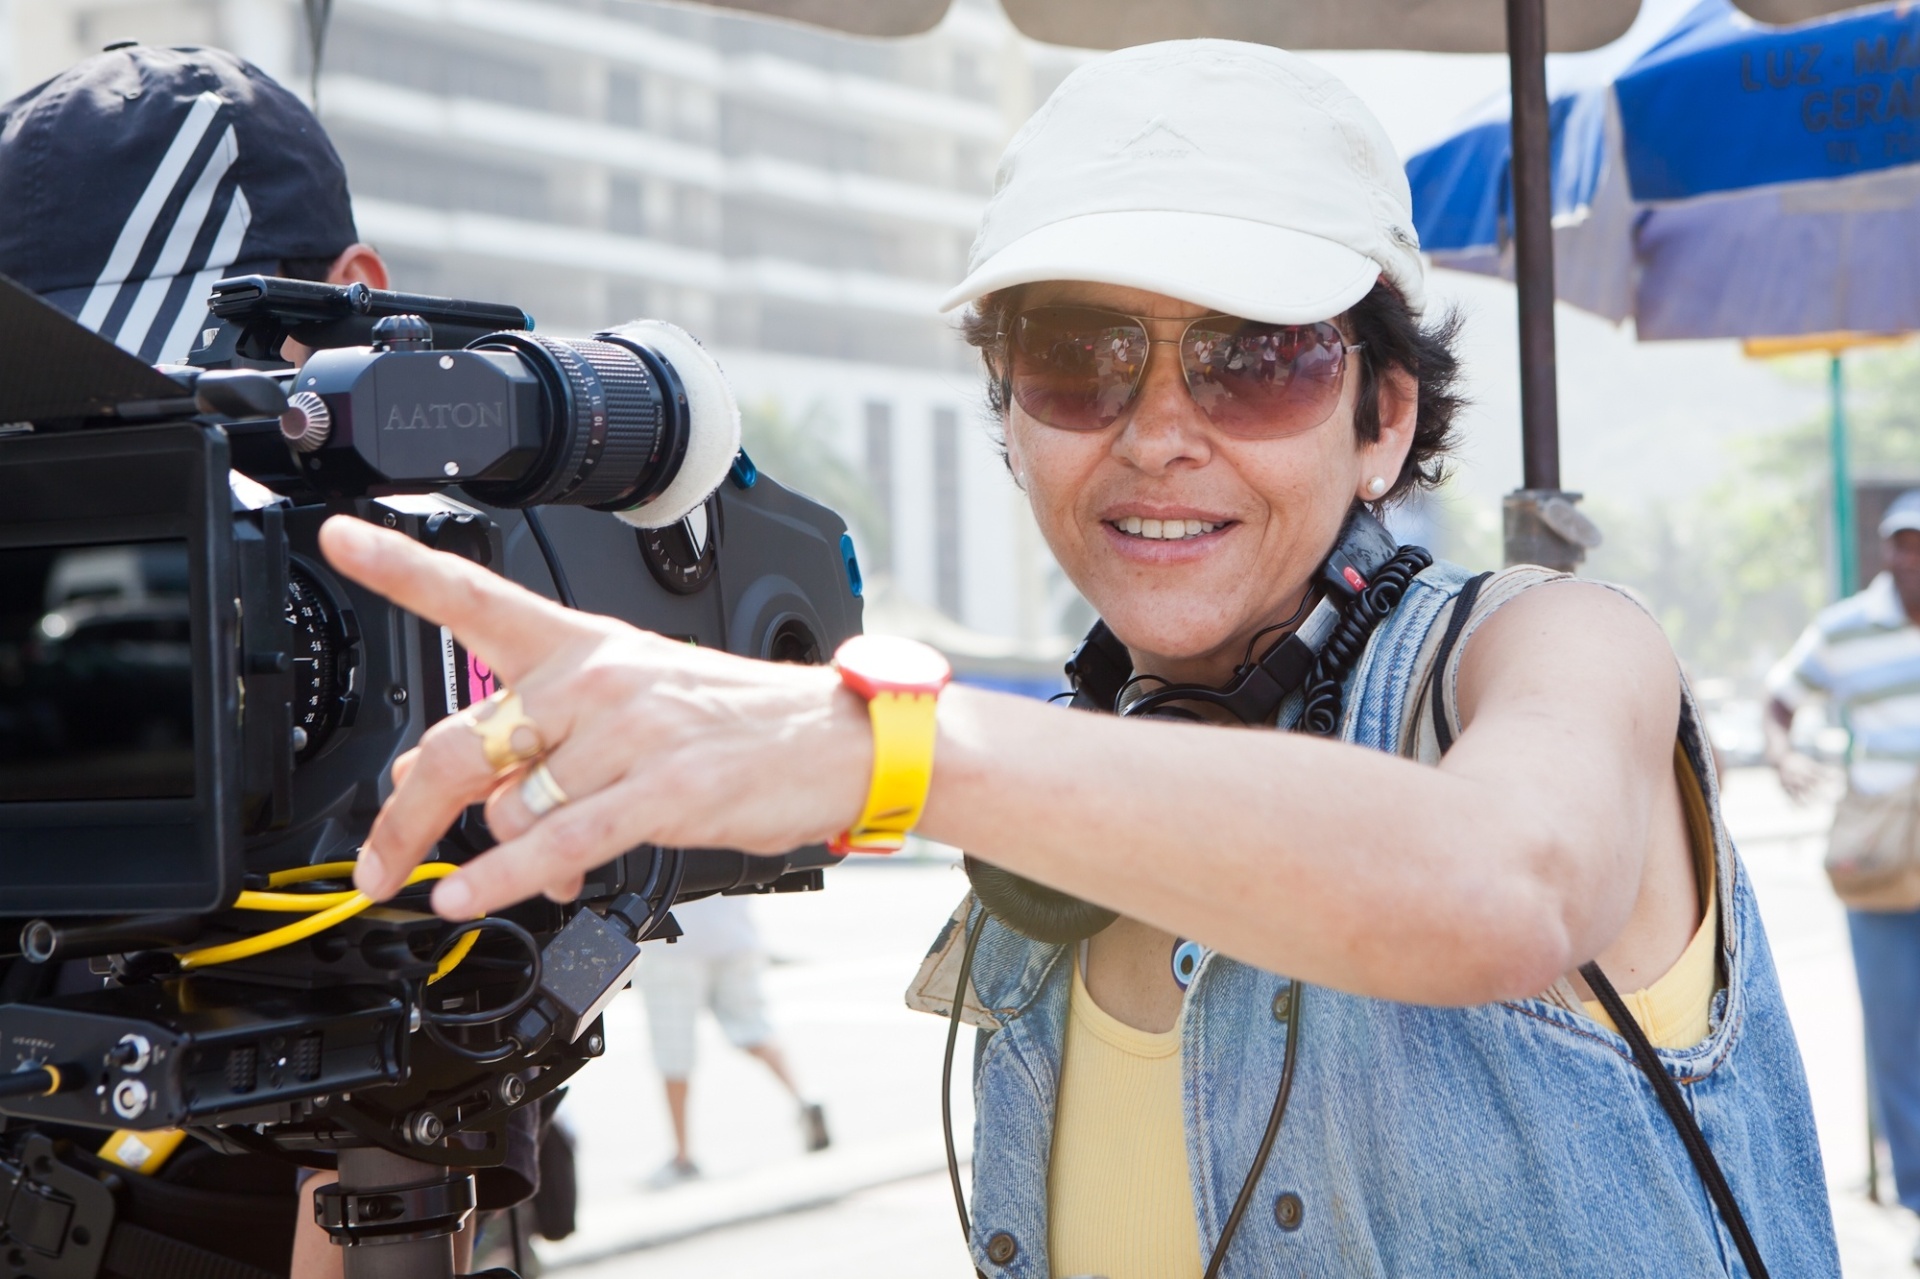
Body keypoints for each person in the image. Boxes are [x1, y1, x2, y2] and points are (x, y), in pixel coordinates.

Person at [320, 39, 1840, 1277]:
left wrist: (886, 745)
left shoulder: (1555, 643)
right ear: (1008, 413)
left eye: (1255, 357)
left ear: (1384, 416)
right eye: (1077, 357)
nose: (1158, 431)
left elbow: (1512, 883)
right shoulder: (1066, 792)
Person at [1767, 488, 1920, 1256]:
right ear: (1887, 552)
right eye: (1905, 544)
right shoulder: (1846, 629)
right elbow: (1781, 698)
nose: (1913, 558)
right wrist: (1785, 755)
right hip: (1886, 851)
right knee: (1898, 1032)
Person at [638, 892, 829, 1188]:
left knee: (674, 1050)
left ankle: (682, 1156)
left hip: (672, 944)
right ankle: (804, 1097)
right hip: (733, 934)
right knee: (755, 1030)